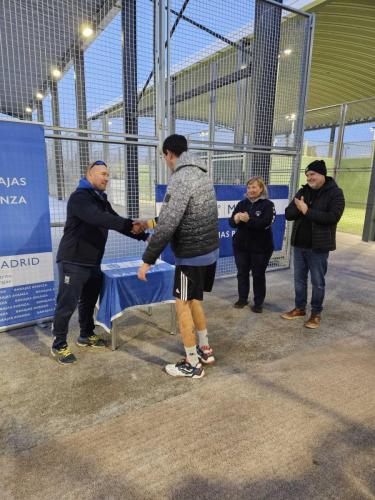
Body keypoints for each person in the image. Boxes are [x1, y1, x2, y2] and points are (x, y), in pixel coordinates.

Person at [137, 134, 219, 379]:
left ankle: (192, 364)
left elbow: (170, 223)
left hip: (191, 256)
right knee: (194, 299)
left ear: (168, 154)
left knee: (181, 303)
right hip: (209, 252)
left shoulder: (180, 178)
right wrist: (149, 222)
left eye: (164, 157)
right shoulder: (202, 174)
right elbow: (182, 214)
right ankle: (205, 349)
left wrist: (147, 260)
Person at [51, 160, 148, 364]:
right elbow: (98, 219)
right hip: (73, 261)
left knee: (87, 301)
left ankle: (86, 335)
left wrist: (143, 236)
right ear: (90, 174)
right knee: (66, 304)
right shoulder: (80, 198)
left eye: (108, 174)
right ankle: (59, 344)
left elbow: (115, 221)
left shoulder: (101, 199)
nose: (107, 178)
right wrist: (131, 223)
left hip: (93, 261)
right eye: (103, 174)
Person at [281, 160, 345, 328]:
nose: (309, 178)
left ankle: (316, 313)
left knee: (317, 281)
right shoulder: (303, 191)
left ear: (322, 174)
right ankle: (300, 308)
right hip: (299, 245)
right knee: (299, 280)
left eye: (313, 174)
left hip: (318, 248)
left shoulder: (335, 193)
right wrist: (300, 208)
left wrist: (306, 210)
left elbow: (332, 218)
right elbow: (288, 214)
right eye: (308, 175)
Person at [229, 177, 275, 313]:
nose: (251, 190)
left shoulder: (268, 205)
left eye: (254, 187)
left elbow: (265, 223)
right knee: (242, 273)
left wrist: (249, 220)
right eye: (249, 188)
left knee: (258, 275)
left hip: (261, 248)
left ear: (261, 189)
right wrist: (236, 219)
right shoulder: (241, 203)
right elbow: (231, 223)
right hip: (241, 247)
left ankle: (258, 303)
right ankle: (242, 299)